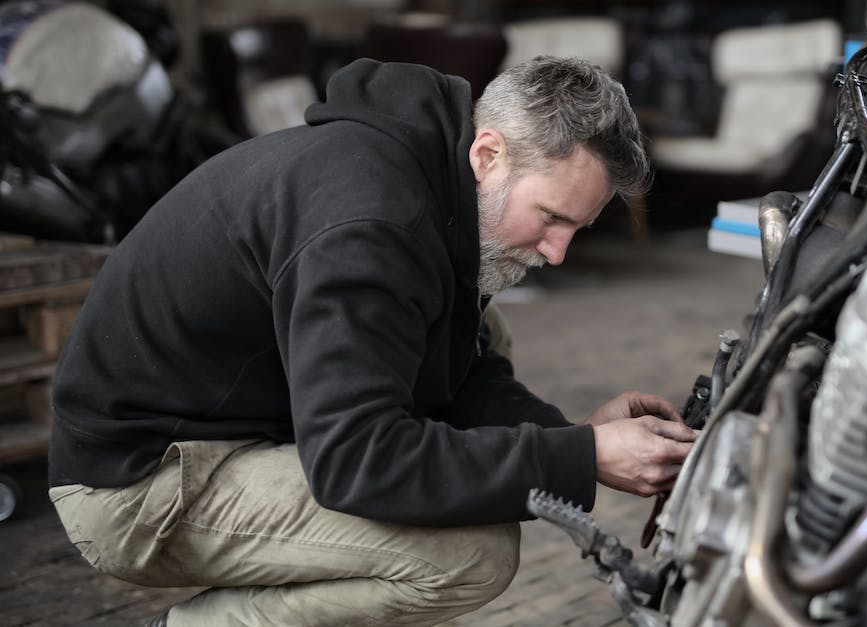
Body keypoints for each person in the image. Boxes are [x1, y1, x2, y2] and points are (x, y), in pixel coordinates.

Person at [47, 56, 696, 626]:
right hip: (138, 482)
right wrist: (581, 457)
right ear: (489, 154)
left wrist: (575, 434)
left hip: (233, 421)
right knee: (468, 555)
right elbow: (358, 460)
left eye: (575, 228)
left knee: (482, 333)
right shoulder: (371, 225)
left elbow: (458, 372)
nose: (558, 252)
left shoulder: (435, 180)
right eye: (553, 218)